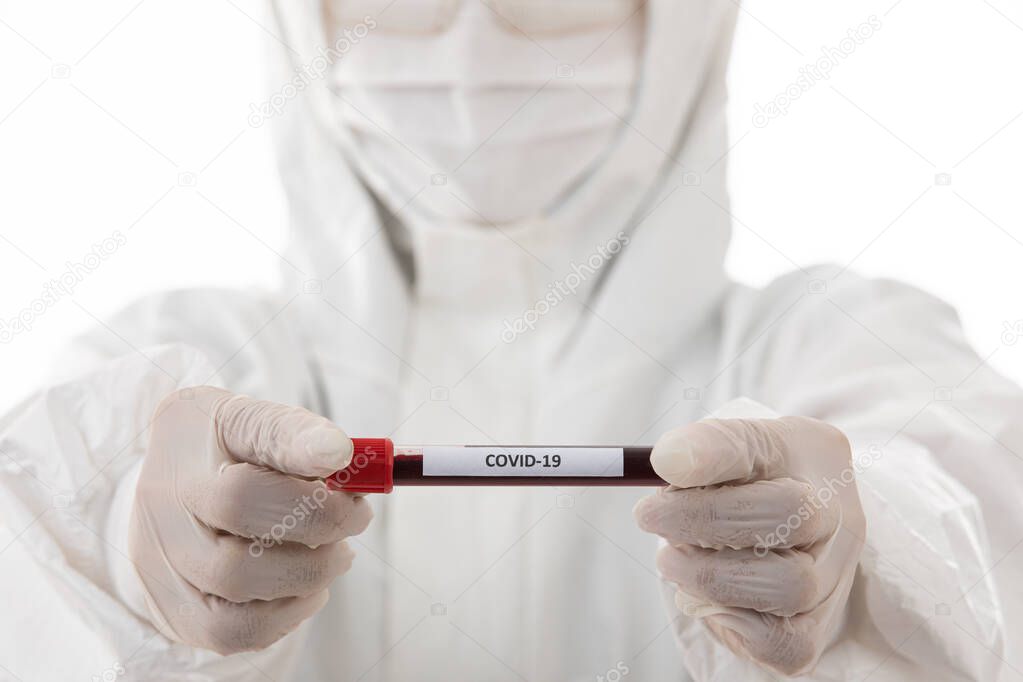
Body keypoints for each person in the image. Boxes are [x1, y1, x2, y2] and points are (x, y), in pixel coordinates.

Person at [1, 0, 1020, 679]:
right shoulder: (177, 354)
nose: (471, 49)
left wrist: (869, 547)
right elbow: (30, 556)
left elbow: (973, 511)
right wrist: (127, 558)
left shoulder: (836, 344)